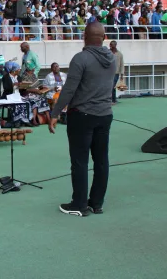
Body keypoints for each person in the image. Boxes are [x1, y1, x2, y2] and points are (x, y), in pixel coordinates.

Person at [49, 22, 116, 217]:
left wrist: (55, 113)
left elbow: (69, 90)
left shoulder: (80, 59)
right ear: (104, 37)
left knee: (80, 161)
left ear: (84, 37)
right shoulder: (111, 58)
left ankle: (79, 204)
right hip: (105, 115)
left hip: (82, 115)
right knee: (101, 160)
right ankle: (96, 203)